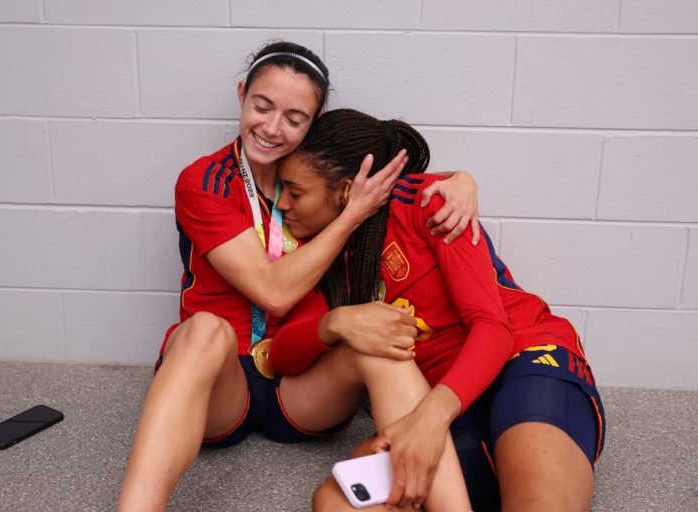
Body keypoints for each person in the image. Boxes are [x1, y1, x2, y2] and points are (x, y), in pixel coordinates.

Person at [117, 42, 480, 512]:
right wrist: (351, 217)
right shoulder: (204, 182)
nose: (271, 128)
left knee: (384, 347)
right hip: (220, 388)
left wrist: (462, 181)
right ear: (242, 94)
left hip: (303, 383)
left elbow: (400, 175)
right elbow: (273, 290)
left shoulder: (321, 175)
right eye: (261, 106)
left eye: (294, 118)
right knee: (204, 330)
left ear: (314, 121)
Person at [268, 108, 607, 512]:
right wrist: (334, 323)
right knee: (334, 501)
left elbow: (493, 329)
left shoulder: (428, 203)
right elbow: (282, 355)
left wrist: (428, 420)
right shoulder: (314, 255)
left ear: (344, 190)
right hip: (448, 412)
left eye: (294, 191)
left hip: (524, 364)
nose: (282, 204)